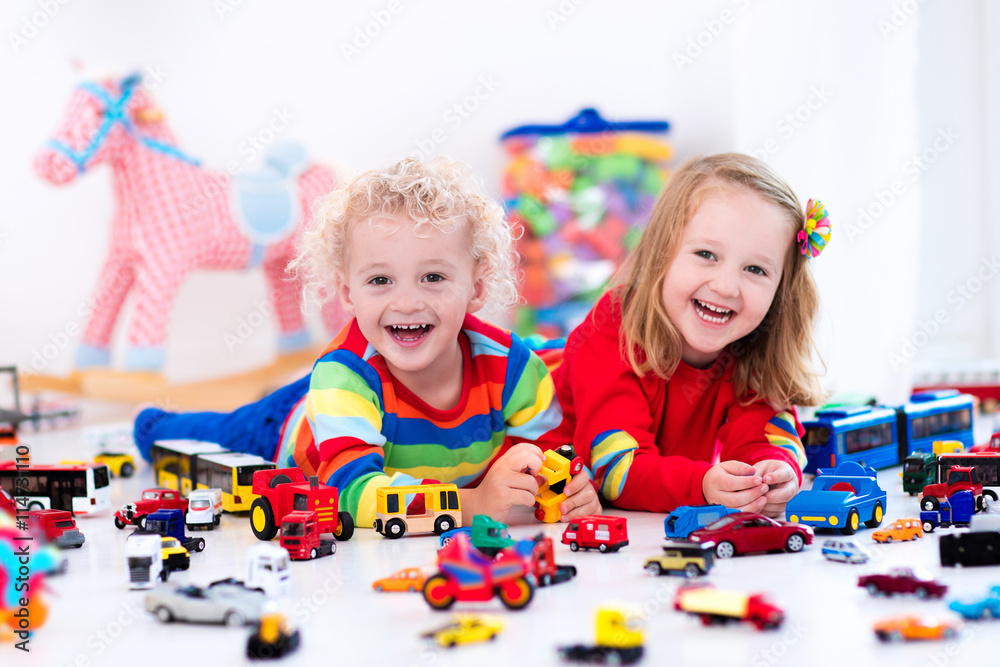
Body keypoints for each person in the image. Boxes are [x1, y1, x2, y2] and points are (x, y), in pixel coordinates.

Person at [134, 158, 600, 528]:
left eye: (433, 277)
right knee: (210, 437)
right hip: (294, 423)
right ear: (347, 293)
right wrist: (474, 502)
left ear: (476, 288)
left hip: (356, 403)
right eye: (380, 279)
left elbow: (553, 457)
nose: (406, 302)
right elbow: (350, 495)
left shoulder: (513, 368)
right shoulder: (343, 376)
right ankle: (152, 423)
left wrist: (567, 486)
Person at [539, 153, 830, 517]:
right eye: (706, 254)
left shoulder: (750, 346)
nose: (726, 286)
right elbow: (616, 468)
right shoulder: (611, 331)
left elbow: (766, 431)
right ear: (662, 254)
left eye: (755, 269)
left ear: (781, 291)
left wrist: (773, 471)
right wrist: (703, 485)